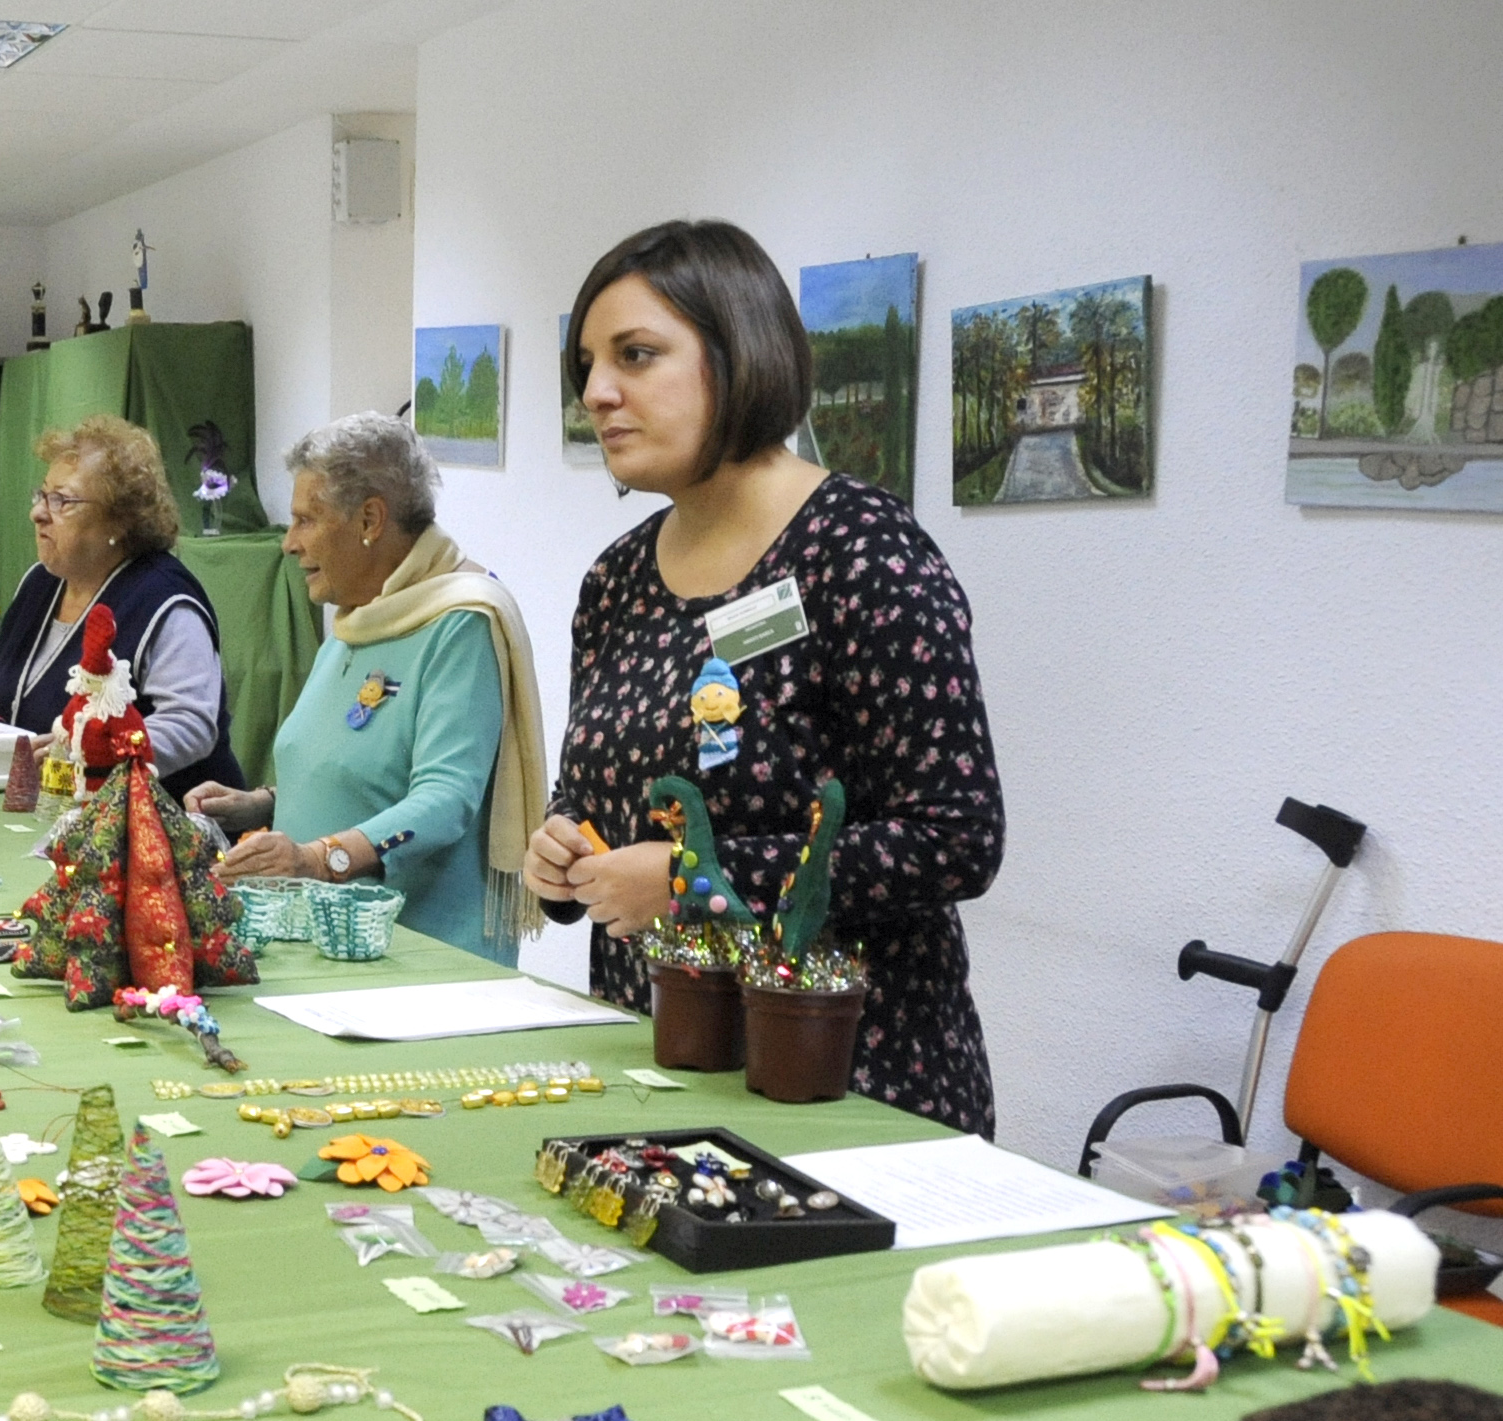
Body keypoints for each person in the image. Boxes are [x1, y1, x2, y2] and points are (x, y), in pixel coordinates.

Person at [523, 220, 1004, 1132]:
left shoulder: (861, 553)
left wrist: (699, 875)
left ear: (739, 356)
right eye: (585, 364)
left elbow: (956, 840)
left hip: (846, 1081)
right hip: (661, 1065)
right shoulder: (618, 578)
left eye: (636, 354)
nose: (597, 392)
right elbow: (602, 798)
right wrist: (563, 852)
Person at [184, 413, 549, 969]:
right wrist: (259, 805)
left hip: (418, 964)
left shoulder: (460, 623)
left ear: (370, 519)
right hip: (323, 945)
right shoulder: (360, 617)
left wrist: (317, 857)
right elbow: (361, 773)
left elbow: (445, 799)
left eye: (306, 520)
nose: (288, 543)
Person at [0, 414, 242, 797]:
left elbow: (191, 725)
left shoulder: (165, 601)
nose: (37, 513)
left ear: (120, 520)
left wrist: (86, 753)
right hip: (46, 816)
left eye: (62, 501)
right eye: (42, 495)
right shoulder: (38, 583)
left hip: (154, 831)